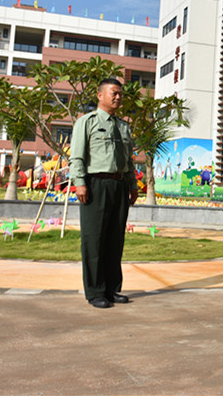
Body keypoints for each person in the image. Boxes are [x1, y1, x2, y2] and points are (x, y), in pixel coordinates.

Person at [70, 78, 139, 309]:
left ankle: (111, 289)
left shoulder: (123, 127)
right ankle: (95, 291)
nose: (118, 97)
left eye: (120, 94)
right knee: (94, 239)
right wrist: (80, 182)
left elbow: (128, 161)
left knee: (115, 239)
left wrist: (132, 185)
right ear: (100, 95)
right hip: (95, 184)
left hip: (119, 185)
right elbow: (77, 156)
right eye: (113, 93)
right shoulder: (87, 122)